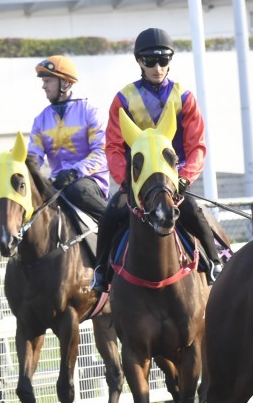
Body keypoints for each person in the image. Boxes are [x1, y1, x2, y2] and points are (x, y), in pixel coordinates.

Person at [90, 27, 222, 293]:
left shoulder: (184, 97)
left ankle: (215, 263)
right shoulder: (123, 99)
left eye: (164, 60)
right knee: (110, 215)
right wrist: (126, 180)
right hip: (138, 182)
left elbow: (196, 146)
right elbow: (114, 147)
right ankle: (101, 270)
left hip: (174, 181)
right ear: (139, 61)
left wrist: (185, 177)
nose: (158, 68)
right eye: (151, 61)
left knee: (193, 211)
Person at [28, 55, 110, 221]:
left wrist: (74, 172)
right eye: (43, 81)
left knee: (75, 189)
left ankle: (117, 223)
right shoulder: (40, 120)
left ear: (65, 83)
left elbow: (102, 152)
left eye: (48, 81)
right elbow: (34, 157)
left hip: (89, 182)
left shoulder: (89, 111)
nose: (43, 86)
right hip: (58, 184)